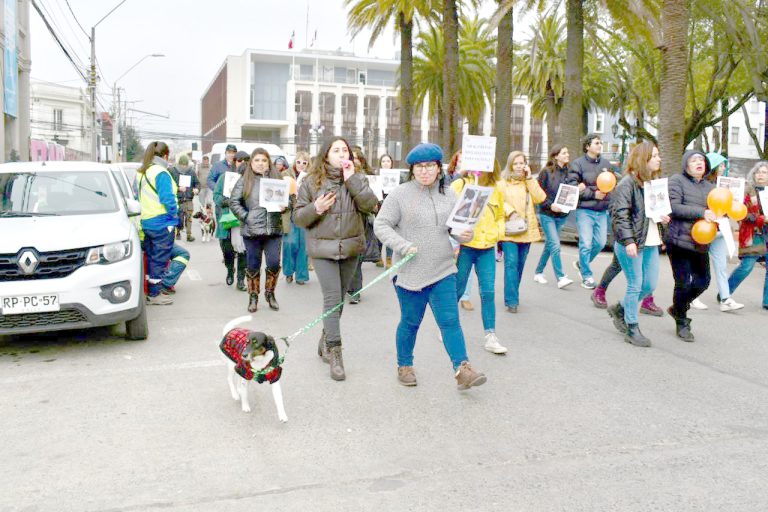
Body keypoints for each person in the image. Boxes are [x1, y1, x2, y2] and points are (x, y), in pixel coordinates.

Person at [374, 142, 487, 389]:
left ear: (439, 168)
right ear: (412, 170)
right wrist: (402, 245)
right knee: (410, 323)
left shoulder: (450, 194)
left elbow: (454, 228)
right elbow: (381, 225)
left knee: (450, 321)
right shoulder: (400, 194)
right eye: (419, 167)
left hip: (443, 269)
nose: (425, 171)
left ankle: (462, 369)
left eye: (430, 166)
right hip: (410, 273)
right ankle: (404, 365)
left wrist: (462, 235)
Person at [294, 136, 378, 381]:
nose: (342, 154)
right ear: (326, 155)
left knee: (338, 301)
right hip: (323, 250)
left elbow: (371, 205)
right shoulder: (311, 181)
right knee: (332, 298)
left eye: (345, 151)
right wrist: (316, 208)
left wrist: (352, 180)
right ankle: (336, 350)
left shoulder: (358, 178)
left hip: (351, 248)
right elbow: (299, 217)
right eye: (336, 150)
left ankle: (324, 339)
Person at [606, 141, 669, 347]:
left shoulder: (652, 182)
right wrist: (628, 241)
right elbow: (620, 215)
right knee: (635, 284)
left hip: (650, 241)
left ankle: (620, 308)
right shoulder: (627, 184)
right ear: (644, 159)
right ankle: (632, 327)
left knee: (649, 284)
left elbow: (648, 212)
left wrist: (661, 218)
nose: (659, 159)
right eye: (655, 155)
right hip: (631, 243)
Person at [451, 161, 507, 355]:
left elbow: (500, 216)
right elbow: (448, 209)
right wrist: (462, 175)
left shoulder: (497, 187)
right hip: (465, 247)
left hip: (486, 247)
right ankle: (448, 327)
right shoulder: (460, 184)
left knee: (488, 292)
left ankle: (490, 335)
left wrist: (498, 233)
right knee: (457, 289)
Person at [666, 150, 717, 341]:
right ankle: (682, 321)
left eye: (702, 160)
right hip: (679, 240)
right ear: (686, 164)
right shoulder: (677, 180)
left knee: (703, 282)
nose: (699, 163)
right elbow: (674, 207)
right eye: (694, 160)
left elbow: (717, 210)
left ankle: (677, 308)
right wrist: (702, 212)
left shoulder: (711, 187)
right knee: (683, 283)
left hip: (701, 242)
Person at [230, 148, 286, 313]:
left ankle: (270, 293)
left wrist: (285, 205)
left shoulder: (277, 179)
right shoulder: (244, 180)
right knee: (253, 265)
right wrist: (246, 217)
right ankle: (253, 296)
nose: (261, 163)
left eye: (264, 160)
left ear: (268, 162)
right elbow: (234, 202)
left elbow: (289, 199)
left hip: (273, 229)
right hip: (252, 231)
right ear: (251, 162)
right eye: (257, 160)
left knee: (274, 263)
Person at [689, 152, 744, 312]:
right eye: (721, 165)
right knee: (698, 265)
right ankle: (693, 297)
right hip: (705, 229)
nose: (724, 168)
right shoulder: (702, 186)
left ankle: (725, 298)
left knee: (721, 266)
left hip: (720, 229)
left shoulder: (725, 185)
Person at [498, 151, 547, 313]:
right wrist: (510, 211)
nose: (519, 166)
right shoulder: (502, 182)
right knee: (511, 264)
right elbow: (498, 201)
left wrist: (529, 179)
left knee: (519, 265)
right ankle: (512, 300)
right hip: (509, 230)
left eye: (522, 163)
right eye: (516, 163)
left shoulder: (528, 180)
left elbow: (540, 197)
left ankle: (513, 293)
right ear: (510, 164)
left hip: (526, 230)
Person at [568, 134, 614, 289]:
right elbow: (573, 188)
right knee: (586, 243)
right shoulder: (577, 164)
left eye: (601, 142)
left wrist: (607, 197)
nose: (600, 145)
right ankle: (587, 276)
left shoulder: (607, 164)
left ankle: (581, 264)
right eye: (596, 143)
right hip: (584, 210)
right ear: (587, 146)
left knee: (600, 243)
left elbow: (612, 184)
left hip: (602, 210)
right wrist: (593, 193)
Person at [136, 141, 178, 306]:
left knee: (152, 258)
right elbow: (167, 199)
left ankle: (150, 291)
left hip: (146, 222)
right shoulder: (161, 173)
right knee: (160, 260)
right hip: (162, 223)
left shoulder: (141, 172)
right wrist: (174, 213)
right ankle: (155, 294)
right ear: (165, 155)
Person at [727, 161, 768, 310]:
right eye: (759, 172)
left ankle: (767, 301)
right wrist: (760, 219)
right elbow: (741, 213)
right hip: (753, 232)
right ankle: (726, 292)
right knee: (747, 266)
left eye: (764, 172)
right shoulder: (746, 191)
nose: (761, 175)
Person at [533, 144, 574, 289]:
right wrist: (550, 205)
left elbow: (572, 192)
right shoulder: (546, 172)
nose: (567, 155)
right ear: (556, 156)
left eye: (567, 152)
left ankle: (538, 272)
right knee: (555, 245)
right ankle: (561, 277)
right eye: (564, 153)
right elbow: (538, 194)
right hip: (547, 214)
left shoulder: (570, 172)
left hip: (562, 215)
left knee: (550, 245)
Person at [213, 154, 248, 291]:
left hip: (243, 220)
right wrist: (226, 201)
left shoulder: (251, 180)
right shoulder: (224, 178)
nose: (242, 163)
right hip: (227, 219)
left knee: (243, 250)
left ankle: (241, 279)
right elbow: (216, 195)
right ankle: (229, 269)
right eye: (239, 160)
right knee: (227, 250)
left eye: (246, 160)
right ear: (234, 162)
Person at [348, 146, 378, 304]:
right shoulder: (336, 178)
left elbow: (371, 202)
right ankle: (348, 286)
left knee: (356, 259)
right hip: (343, 224)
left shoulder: (363, 178)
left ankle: (355, 291)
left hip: (360, 221)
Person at [280, 151, 311, 285]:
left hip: (305, 214)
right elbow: (279, 193)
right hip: (289, 213)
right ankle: (288, 272)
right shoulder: (285, 174)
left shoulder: (311, 177)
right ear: (295, 162)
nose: (301, 165)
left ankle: (301, 275)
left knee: (303, 246)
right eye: (299, 162)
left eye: (305, 163)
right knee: (289, 244)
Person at [170, 154, 199, 242]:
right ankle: (178, 232)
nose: (184, 167)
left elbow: (197, 183)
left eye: (185, 165)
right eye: (182, 165)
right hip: (178, 199)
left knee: (189, 218)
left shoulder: (191, 172)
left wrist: (197, 189)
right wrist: (178, 188)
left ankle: (189, 235)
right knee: (179, 217)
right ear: (179, 164)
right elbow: (170, 184)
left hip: (189, 198)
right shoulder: (173, 171)